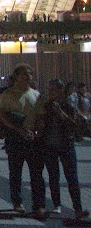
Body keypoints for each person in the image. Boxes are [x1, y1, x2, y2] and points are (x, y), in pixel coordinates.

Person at [32, 79, 87, 219]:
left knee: (72, 178)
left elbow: (73, 126)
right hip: (49, 147)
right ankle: (57, 204)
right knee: (53, 176)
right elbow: (39, 124)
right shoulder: (46, 105)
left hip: (66, 146)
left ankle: (78, 208)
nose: (50, 92)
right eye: (49, 90)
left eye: (53, 90)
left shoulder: (68, 105)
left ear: (60, 90)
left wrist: (60, 112)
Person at [0, 64, 46, 216]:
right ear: (16, 77)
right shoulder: (8, 94)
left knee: (37, 173)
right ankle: (17, 202)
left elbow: (41, 117)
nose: (28, 76)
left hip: (32, 138)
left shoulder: (36, 95)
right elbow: (3, 115)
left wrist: (36, 131)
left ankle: (39, 205)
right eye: (24, 74)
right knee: (15, 172)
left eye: (30, 74)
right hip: (15, 137)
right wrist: (18, 129)